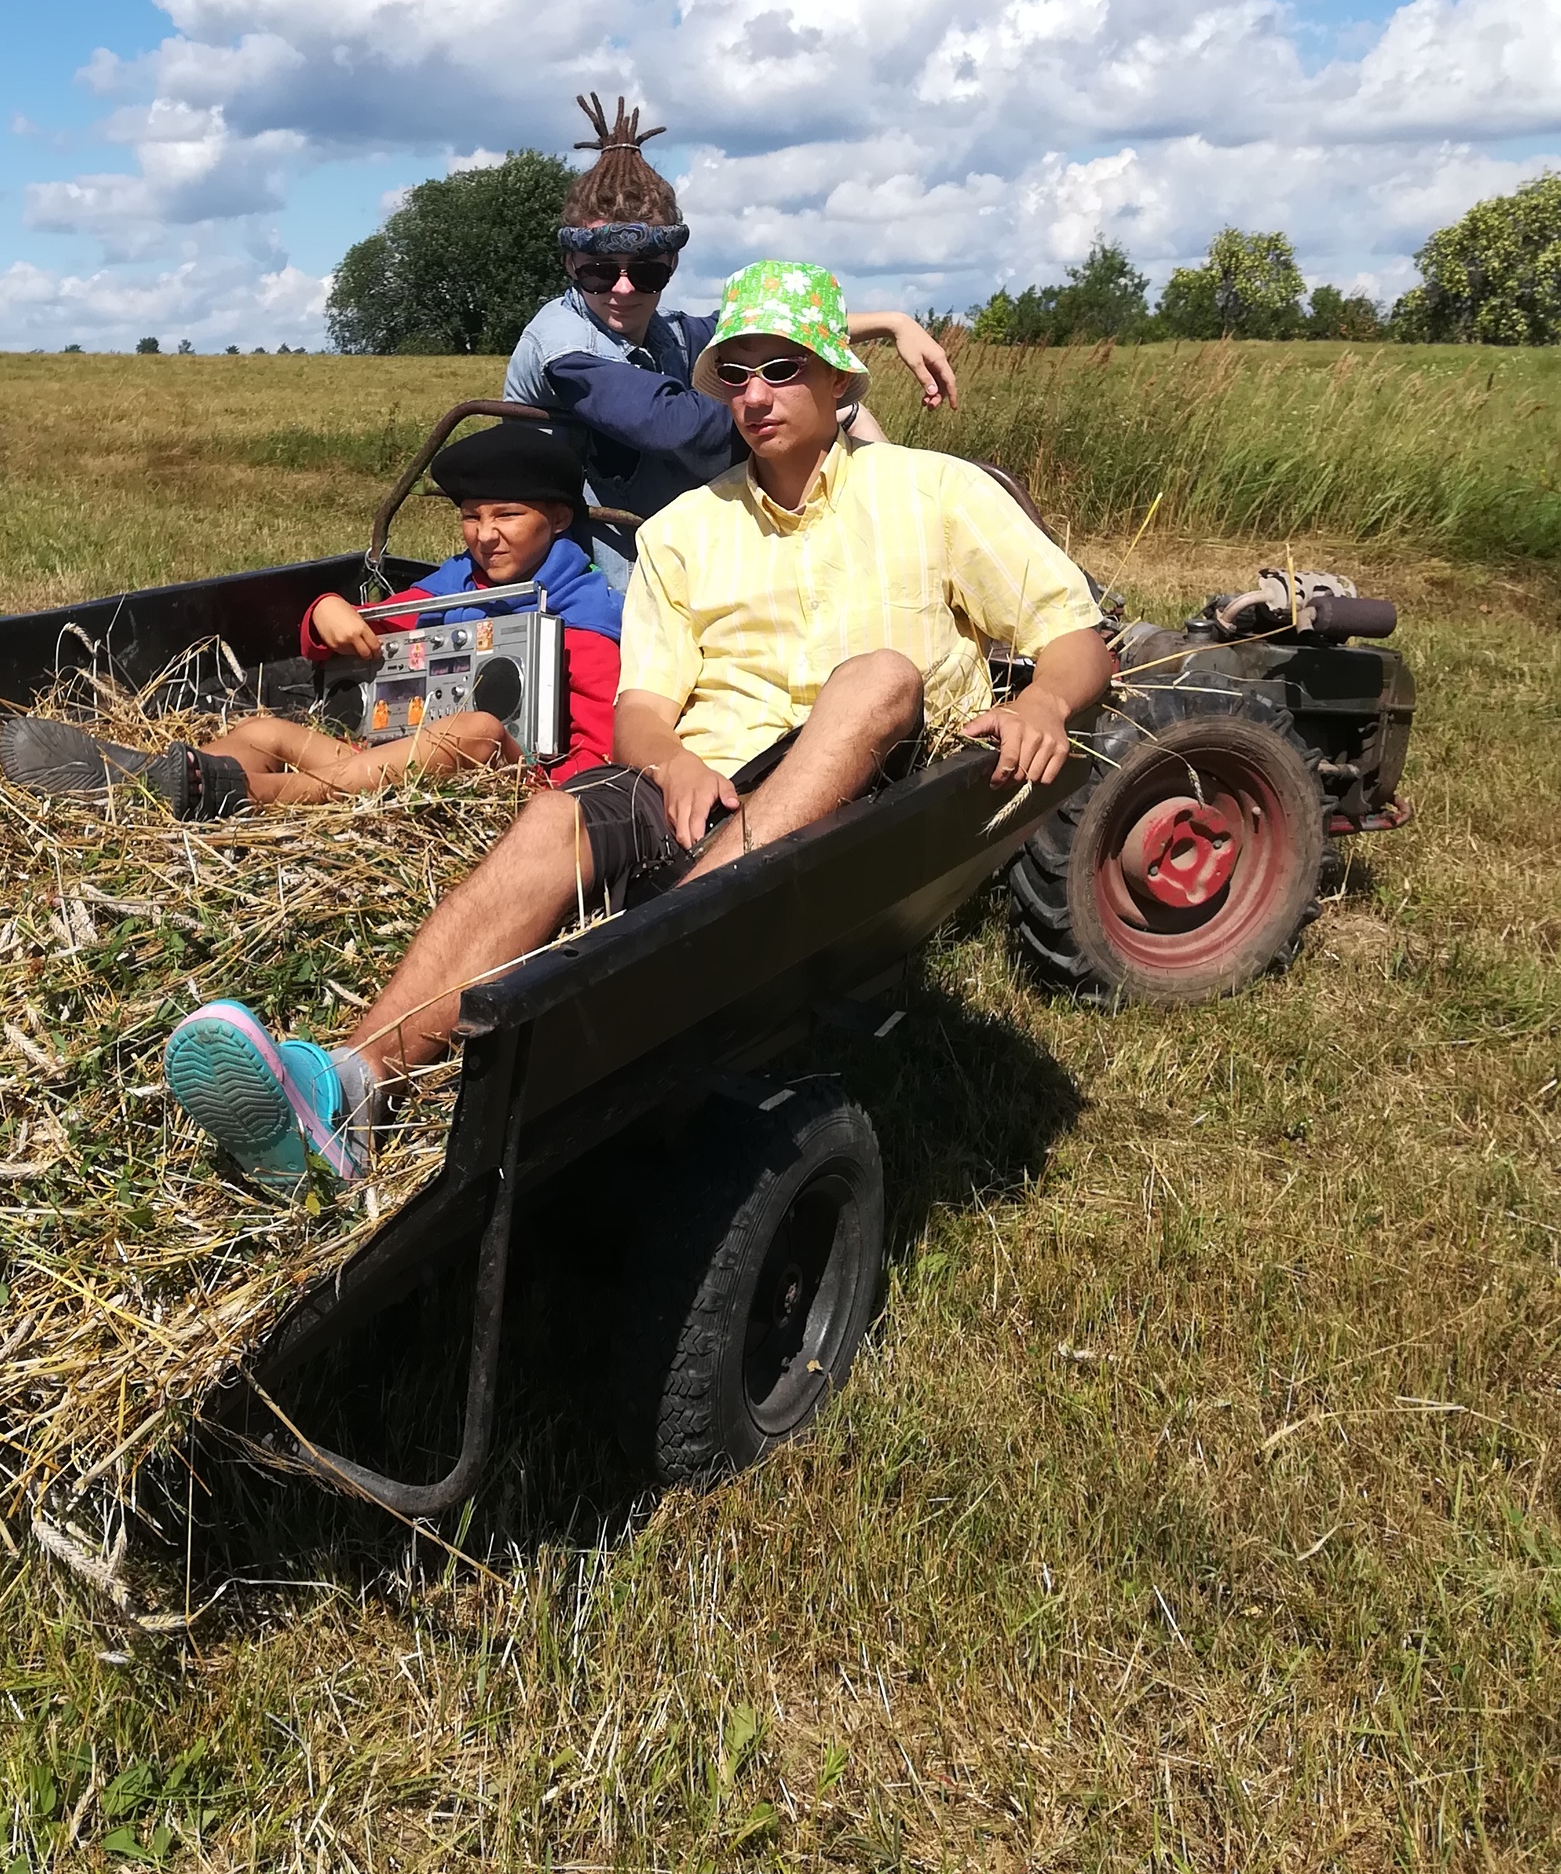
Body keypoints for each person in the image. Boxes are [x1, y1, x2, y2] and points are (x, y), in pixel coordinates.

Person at [165, 259, 1115, 1189]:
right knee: (556, 817)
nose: (755, 393)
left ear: (837, 378)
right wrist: (669, 761)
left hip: (875, 774)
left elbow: (1073, 634)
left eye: (781, 368)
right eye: (734, 374)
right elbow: (642, 711)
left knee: (877, 675)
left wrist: (1038, 700)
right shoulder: (683, 531)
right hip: (713, 779)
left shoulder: (934, 491)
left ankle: (651, 960)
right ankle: (347, 1084)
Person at [0, 422, 622, 819]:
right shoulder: (452, 583)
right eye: (470, 515)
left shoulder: (588, 616)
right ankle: (132, 785)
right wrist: (326, 611)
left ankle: (241, 795)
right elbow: (355, 634)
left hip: (508, 787)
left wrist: (535, 792)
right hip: (390, 766)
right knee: (265, 729)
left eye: (507, 515)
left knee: (478, 728)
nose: (485, 535)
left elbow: (595, 762)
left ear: (560, 520)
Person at [502, 93, 961, 586]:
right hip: (585, 567)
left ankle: (915, 548)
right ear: (571, 265)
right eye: (598, 272)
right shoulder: (565, 347)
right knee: (832, 412)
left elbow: (760, 330)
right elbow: (674, 425)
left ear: (671, 267)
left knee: (845, 407)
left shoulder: (668, 333)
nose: (623, 289)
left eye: (647, 273)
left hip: (665, 538)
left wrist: (893, 323)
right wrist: (805, 410)